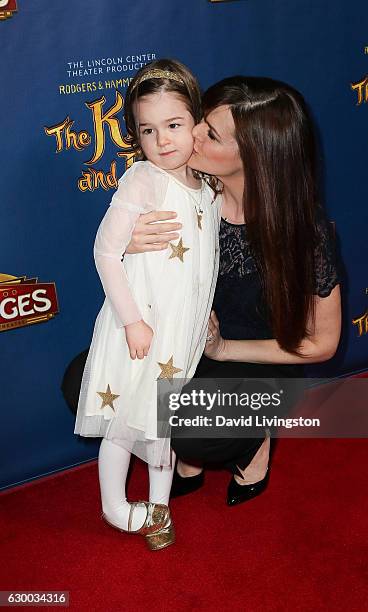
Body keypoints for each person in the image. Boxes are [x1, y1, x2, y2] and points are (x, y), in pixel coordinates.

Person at [125, 75, 342, 506]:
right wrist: (128, 244)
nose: (191, 136)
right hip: (187, 344)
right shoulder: (184, 187)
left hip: (259, 358)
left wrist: (224, 349)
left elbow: (322, 344)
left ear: (255, 156)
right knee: (84, 383)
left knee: (192, 434)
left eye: (211, 134)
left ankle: (254, 439)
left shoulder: (303, 232)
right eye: (199, 122)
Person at [73, 59, 220, 549]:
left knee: (160, 424)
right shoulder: (143, 179)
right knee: (122, 423)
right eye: (148, 130)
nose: (163, 141)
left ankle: (159, 509)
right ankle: (115, 508)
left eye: (174, 125)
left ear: (197, 122)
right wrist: (133, 322)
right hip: (140, 331)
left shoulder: (206, 185)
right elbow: (104, 251)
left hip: (180, 334)